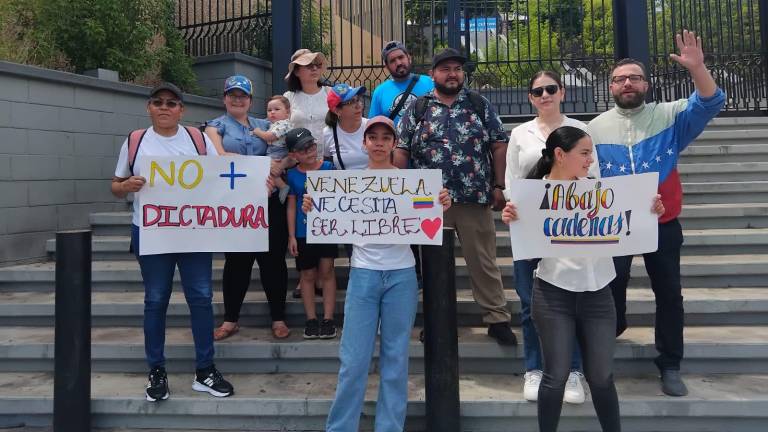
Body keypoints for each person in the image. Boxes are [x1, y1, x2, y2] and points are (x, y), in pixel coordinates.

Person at [587, 30, 726, 396]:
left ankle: (669, 364)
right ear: (610, 87)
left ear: (646, 85)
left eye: (634, 77)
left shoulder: (671, 116)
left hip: (662, 223)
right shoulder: (594, 128)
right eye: (619, 79)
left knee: (668, 295)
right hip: (614, 227)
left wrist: (698, 68)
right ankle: (611, 338)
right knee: (609, 290)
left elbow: (711, 102)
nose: (627, 83)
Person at [502, 126, 665, 432]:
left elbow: (632, 222)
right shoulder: (531, 195)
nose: (591, 159)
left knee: (602, 376)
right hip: (553, 294)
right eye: (585, 153)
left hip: (598, 294)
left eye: (592, 153)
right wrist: (514, 217)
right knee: (556, 375)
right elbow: (525, 248)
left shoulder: (602, 193)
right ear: (561, 156)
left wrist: (650, 210)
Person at [310, 116, 452, 432]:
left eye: (385, 137)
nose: (378, 142)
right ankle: (340, 428)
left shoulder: (411, 183)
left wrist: (439, 203)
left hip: (401, 276)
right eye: (372, 136)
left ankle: (389, 428)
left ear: (394, 144)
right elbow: (326, 212)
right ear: (364, 143)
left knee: (395, 360)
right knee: (353, 361)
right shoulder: (348, 183)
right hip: (364, 275)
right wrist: (313, 204)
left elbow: (425, 217)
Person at [111, 82, 233, 401]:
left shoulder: (197, 139)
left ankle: (205, 370)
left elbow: (222, 174)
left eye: (172, 102)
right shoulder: (135, 141)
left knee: (202, 298)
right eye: (158, 102)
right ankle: (157, 370)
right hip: (152, 232)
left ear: (182, 109)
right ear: (149, 107)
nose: (165, 107)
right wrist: (127, 186)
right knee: (155, 299)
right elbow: (115, 184)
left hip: (193, 232)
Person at [395, 48, 516, 345]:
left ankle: (497, 319)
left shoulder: (479, 104)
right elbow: (401, 149)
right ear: (433, 74)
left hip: (474, 197)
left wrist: (499, 185)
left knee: (484, 261)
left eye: (457, 69)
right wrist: (399, 189)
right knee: (435, 266)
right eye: (445, 68)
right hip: (430, 203)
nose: (452, 74)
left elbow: (499, 144)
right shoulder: (418, 108)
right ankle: (437, 320)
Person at [505, 71, 597, 403]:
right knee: (531, 303)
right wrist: (514, 211)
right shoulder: (519, 133)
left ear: (562, 92)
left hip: (569, 231)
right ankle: (534, 368)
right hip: (530, 229)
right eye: (537, 91)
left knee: (568, 301)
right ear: (530, 97)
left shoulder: (582, 130)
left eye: (550, 89)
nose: (544, 95)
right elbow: (513, 181)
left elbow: (592, 175)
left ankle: (572, 371)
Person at [204, 75, 291, 341]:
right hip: (236, 206)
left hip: (268, 202)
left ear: (250, 100)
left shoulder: (266, 125)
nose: (237, 99)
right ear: (224, 98)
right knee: (236, 263)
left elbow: (293, 148)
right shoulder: (215, 126)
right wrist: (259, 165)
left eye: (243, 95)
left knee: (273, 262)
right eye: (232, 94)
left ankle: (278, 317)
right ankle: (231, 319)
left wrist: (281, 164)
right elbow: (218, 157)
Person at [285, 128, 339, 339]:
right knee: (307, 274)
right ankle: (311, 319)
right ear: (293, 154)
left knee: (327, 271)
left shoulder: (329, 168)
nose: (309, 151)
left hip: (327, 230)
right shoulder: (292, 175)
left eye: (311, 145)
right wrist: (291, 235)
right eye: (302, 149)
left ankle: (328, 318)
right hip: (302, 232)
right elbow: (291, 206)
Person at [369, 40, 434, 124]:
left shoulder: (430, 83)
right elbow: (373, 125)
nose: (398, 63)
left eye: (401, 57)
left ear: (409, 58)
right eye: (392, 61)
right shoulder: (380, 92)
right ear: (387, 66)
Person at [283, 49, 331, 161]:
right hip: (298, 161)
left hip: (328, 160)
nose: (314, 68)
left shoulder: (330, 93)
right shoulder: (288, 97)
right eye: (308, 65)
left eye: (317, 65)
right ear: (296, 72)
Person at [252, 95, 293, 202]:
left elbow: (269, 136)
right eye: (269, 110)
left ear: (287, 113)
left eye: (277, 109)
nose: (272, 112)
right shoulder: (273, 124)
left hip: (278, 151)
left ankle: (283, 187)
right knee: (269, 170)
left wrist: (257, 132)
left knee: (269, 169)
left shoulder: (284, 124)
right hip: (274, 150)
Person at [323, 83, 370, 171]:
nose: (358, 105)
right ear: (337, 111)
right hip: (343, 184)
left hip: (374, 182)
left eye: (358, 99)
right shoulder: (328, 133)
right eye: (350, 102)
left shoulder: (371, 126)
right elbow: (326, 162)